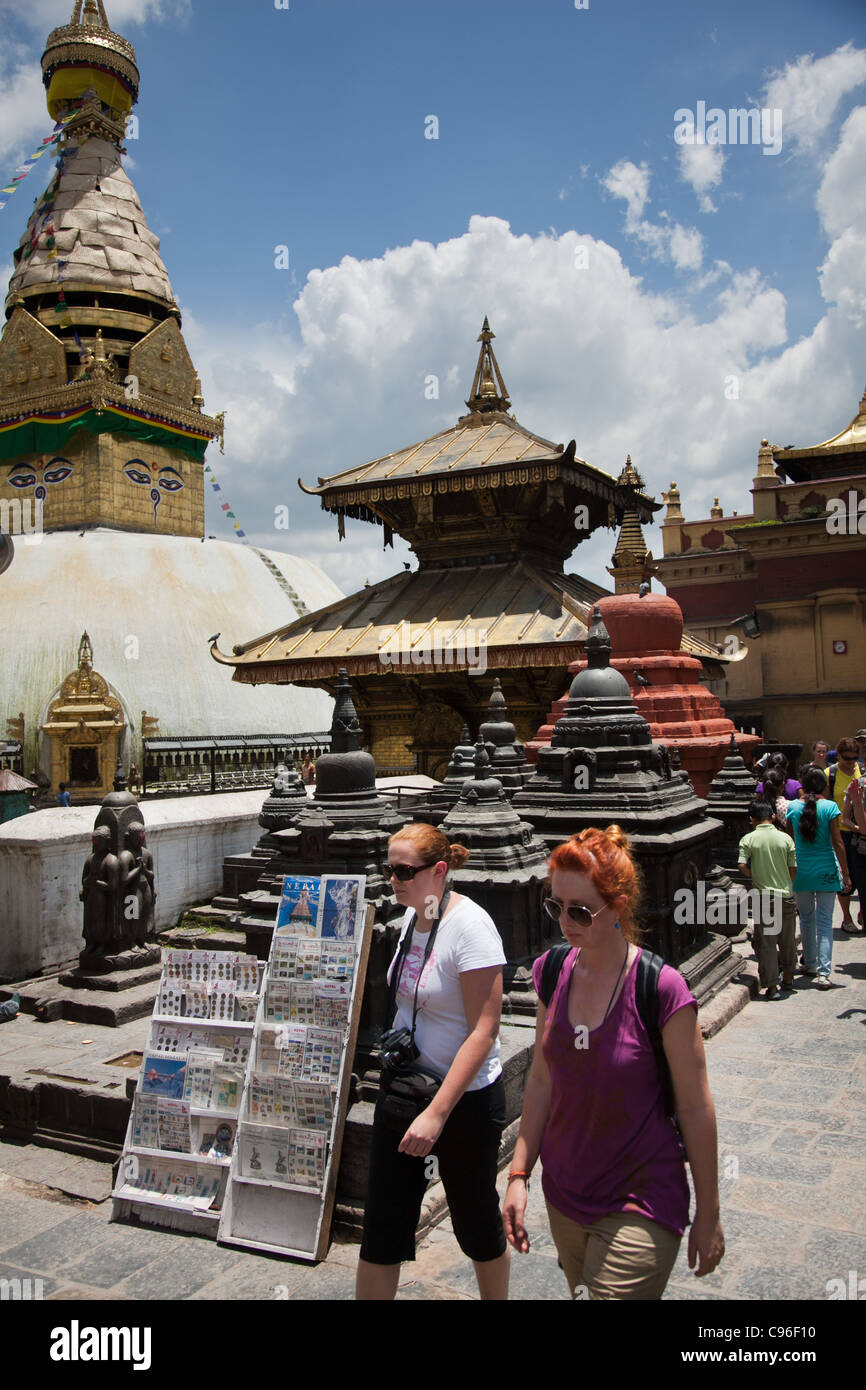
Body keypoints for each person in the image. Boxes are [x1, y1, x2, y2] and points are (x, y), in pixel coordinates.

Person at [502, 826, 724, 1300]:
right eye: (555, 906)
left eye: (580, 910)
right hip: (564, 1194)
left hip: (641, 1196)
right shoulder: (551, 971)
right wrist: (519, 1174)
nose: (565, 921)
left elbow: (695, 1107)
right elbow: (541, 1079)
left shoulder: (662, 990)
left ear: (618, 905)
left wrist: (709, 1212)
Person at [356, 823, 508, 1300]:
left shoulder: (471, 927)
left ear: (439, 871)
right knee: (382, 1221)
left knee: (475, 1217)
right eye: (389, 869)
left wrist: (437, 1113)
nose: (394, 879)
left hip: (462, 1101)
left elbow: (484, 1031)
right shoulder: (409, 920)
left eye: (405, 870)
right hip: (405, 1091)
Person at [786, 768, 850, 988]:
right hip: (826, 871)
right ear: (824, 786)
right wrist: (847, 874)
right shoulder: (830, 808)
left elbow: (790, 842)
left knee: (806, 918)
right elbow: (838, 843)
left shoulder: (793, 807)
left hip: (801, 871)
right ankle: (824, 972)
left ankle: (810, 963)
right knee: (825, 921)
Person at [738, 800, 797, 998]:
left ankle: (772, 986)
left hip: (763, 898)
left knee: (767, 943)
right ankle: (788, 977)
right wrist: (786, 883)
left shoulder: (748, 839)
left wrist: (755, 875)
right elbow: (793, 868)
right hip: (786, 896)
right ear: (772, 816)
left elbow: (741, 865)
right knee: (787, 940)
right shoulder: (785, 839)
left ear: (751, 819)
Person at [828, 738, 862, 932]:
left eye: (855, 758)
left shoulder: (862, 771)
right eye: (847, 758)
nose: (851, 762)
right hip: (840, 832)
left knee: (862, 875)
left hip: (861, 830)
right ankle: (847, 917)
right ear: (839, 755)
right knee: (845, 876)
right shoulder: (830, 774)